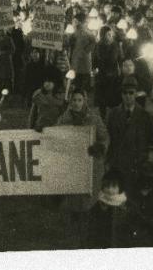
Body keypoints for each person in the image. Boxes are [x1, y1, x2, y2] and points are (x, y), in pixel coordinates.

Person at [55, 89, 109, 244]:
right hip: (73, 164)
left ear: (84, 101)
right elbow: (55, 134)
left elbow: (104, 136)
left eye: (80, 100)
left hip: (90, 164)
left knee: (88, 197)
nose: (77, 103)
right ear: (70, 102)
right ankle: (74, 225)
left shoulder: (93, 118)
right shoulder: (64, 119)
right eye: (74, 100)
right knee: (74, 195)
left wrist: (100, 147)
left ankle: (87, 227)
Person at [106, 76, 153, 195]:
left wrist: (151, 165)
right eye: (124, 93)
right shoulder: (113, 115)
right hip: (118, 166)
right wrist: (108, 162)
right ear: (121, 94)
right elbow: (108, 140)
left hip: (138, 166)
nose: (127, 96)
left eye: (131, 93)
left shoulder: (146, 117)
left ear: (136, 94)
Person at [85, 170, 134, 248]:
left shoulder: (125, 203)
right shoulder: (100, 203)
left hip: (121, 242)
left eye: (114, 186)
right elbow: (90, 222)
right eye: (107, 186)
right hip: (102, 241)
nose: (110, 189)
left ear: (120, 188)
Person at [93, 26, 122, 119]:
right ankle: (103, 116)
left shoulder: (115, 45)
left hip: (113, 75)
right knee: (102, 99)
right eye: (108, 34)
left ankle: (114, 116)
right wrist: (94, 68)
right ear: (103, 35)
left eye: (111, 34)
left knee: (113, 97)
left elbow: (118, 58)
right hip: (102, 75)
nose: (110, 36)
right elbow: (95, 59)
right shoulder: (98, 45)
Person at [70, 12, 96, 94]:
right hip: (76, 61)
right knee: (77, 83)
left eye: (75, 21)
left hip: (84, 62)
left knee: (83, 83)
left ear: (79, 22)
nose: (73, 23)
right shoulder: (74, 33)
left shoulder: (88, 33)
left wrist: (84, 52)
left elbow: (93, 43)